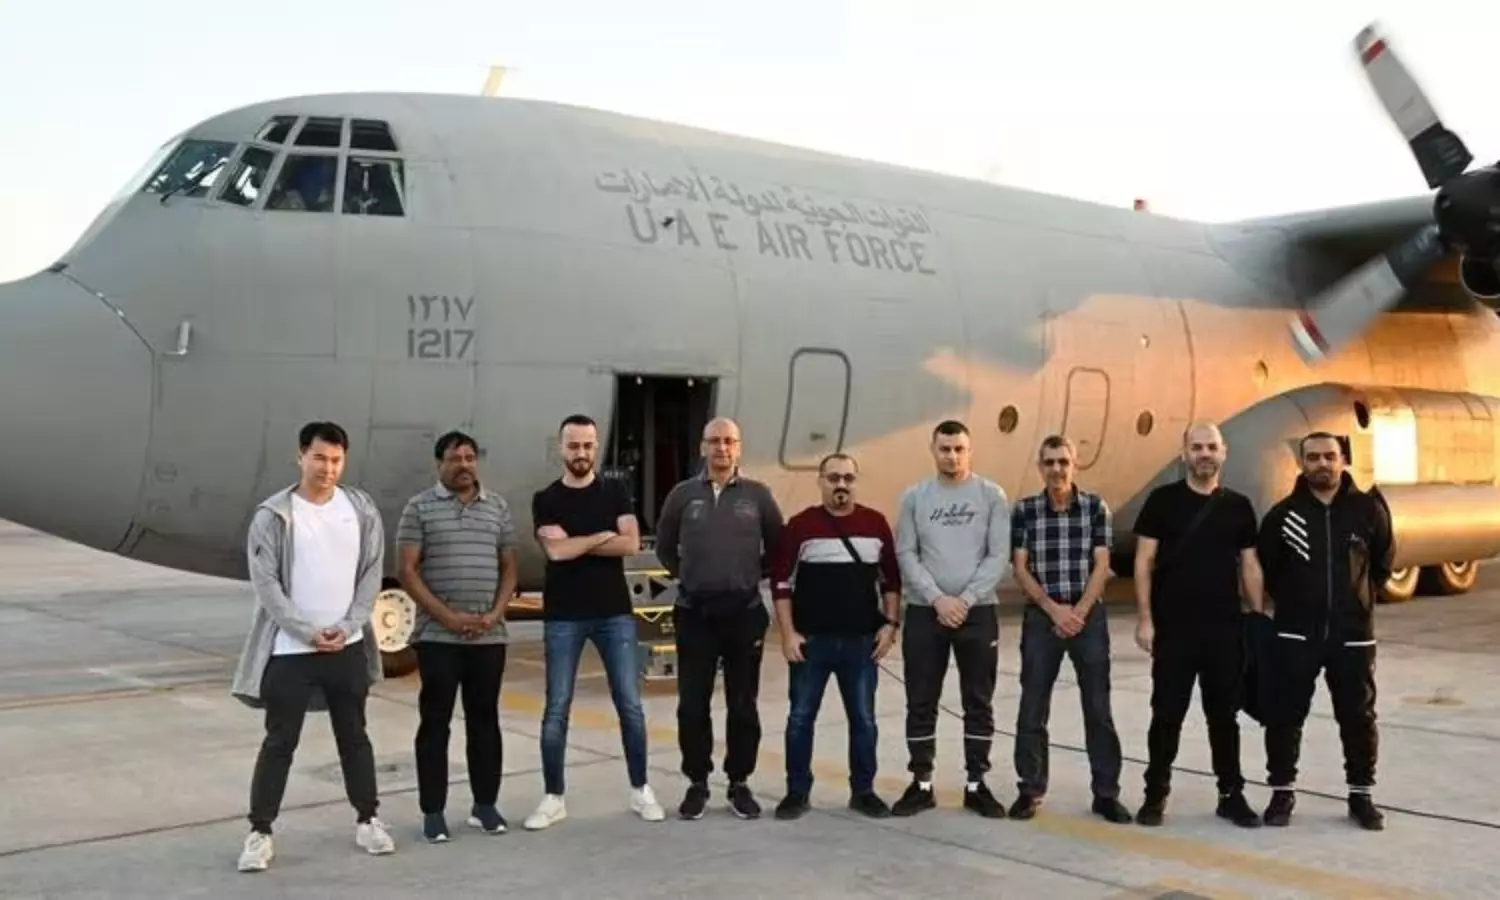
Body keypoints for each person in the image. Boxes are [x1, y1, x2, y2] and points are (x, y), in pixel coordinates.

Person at [230, 421, 395, 872]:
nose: (328, 468)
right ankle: (260, 833)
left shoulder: (360, 508)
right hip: (291, 651)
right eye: (319, 458)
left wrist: (349, 624)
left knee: (354, 738)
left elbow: (372, 572)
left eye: (337, 460)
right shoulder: (273, 515)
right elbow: (266, 585)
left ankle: (368, 820)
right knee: (280, 742)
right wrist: (306, 631)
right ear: (300, 456)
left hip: (347, 647)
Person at [524, 414, 667, 830]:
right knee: (557, 708)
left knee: (630, 705)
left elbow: (631, 543)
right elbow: (556, 553)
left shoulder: (615, 491)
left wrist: (578, 541)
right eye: (573, 446)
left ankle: (641, 789)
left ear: (596, 446)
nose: (581, 453)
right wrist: (602, 536)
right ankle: (553, 797)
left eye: (588, 445)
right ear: (560, 448)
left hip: (613, 613)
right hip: (563, 616)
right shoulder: (546, 499)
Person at [1257, 431, 1393, 831]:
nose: (1322, 464)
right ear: (1302, 463)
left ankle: (1361, 795)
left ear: (1342, 460)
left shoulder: (1368, 510)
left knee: (1358, 716)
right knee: (1284, 715)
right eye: (1313, 457)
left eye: (1329, 456)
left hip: (1353, 634)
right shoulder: (1282, 515)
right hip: (1297, 634)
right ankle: (1282, 792)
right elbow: (1269, 568)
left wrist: (1358, 601)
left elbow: (1383, 563)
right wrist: (1296, 603)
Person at [1131, 422, 1264, 828]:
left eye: (1211, 447)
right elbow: (1143, 562)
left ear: (1223, 452)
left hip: (1224, 630)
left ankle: (1231, 795)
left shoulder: (1239, 506)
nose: (1204, 454)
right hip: (1174, 630)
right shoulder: (1162, 501)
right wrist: (1145, 619)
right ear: (1184, 453)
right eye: (1197, 447)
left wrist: (1257, 619)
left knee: (1223, 717)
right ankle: (1155, 795)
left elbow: (1249, 564)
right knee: (1166, 715)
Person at [655, 417, 785, 820]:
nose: (722, 448)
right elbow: (664, 548)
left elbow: (777, 547)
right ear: (702, 447)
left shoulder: (758, 496)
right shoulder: (682, 496)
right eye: (714, 441)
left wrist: (745, 578)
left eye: (729, 441)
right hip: (695, 614)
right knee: (692, 704)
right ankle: (697, 782)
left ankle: (738, 782)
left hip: (744, 614)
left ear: (739, 447)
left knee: (742, 704)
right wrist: (693, 578)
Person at [397, 430, 519, 842]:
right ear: (440, 464)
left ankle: (485, 806)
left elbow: (509, 567)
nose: (464, 465)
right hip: (438, 638)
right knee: (435, 723)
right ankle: (433, 811)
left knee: (485, 722)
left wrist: (496, 614)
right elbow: (407, 571)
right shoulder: (419, 508)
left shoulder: (497, 507)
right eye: (455, 458)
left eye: (470, 457)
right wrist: (448, 618)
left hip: (489, 637)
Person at [768, 452, 901, 820]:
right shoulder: (801, 526)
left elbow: (891, 580)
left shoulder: (875, 524)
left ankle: (864, 791)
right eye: (833, 478)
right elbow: (781, 583)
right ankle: (797, 792)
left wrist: (890, 626)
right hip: (811, 643)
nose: (841, 484)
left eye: (847, 478)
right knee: (800, 719)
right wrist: (788, 634)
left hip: (861, 644)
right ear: (820, 481)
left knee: (864, 720)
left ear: (855, 482)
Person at [890, 420, 1011, 819]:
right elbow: (906, 553)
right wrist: (937, 598)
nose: (952, 456)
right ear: (933, 450)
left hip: (978, 613)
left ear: (969, 451)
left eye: (959, 449)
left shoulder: (991, 495)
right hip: (926, 614)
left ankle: (976, 784)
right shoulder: (915, 497)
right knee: (921, 700)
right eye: (945, 449)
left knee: (978, 700)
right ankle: (921, 784)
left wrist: (967, 599)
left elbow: (998, 554)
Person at [1009, 434, 1131, 824]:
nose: (1057, 469)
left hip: (1087, 616)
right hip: (1041, 618)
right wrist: (1053, 610)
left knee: (1098, 708)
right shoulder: (1025, 510)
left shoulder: (1095, 507)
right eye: (1049, 462)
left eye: (1063, 461)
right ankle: (1031, 789)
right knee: (1032, 708)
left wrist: (1077, 612)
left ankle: (1106, 794)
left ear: (1074, 464)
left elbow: (1102, 564)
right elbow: (1020, 568)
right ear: (1040, 466)